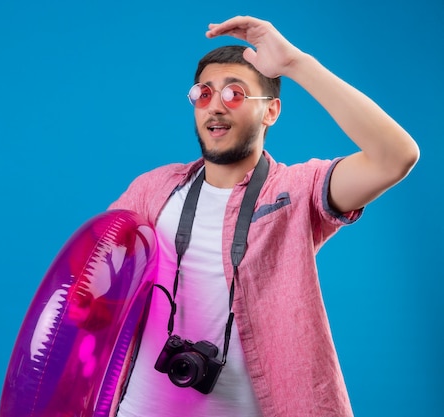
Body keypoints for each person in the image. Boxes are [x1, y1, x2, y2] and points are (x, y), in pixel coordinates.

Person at [108, 15, 419, 417]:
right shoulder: (154, 187)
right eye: (204, 94)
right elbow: (97, 271)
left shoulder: (294, 192)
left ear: (270, 111)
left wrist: (295, 64)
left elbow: (395, 157)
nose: (215, 106)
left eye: (235, 93)